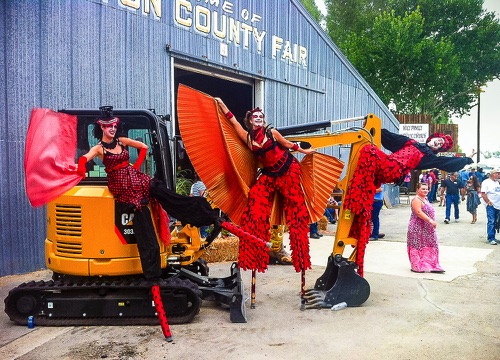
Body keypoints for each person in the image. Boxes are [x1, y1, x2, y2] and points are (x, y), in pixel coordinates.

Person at [77, 110, 220, 280]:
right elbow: (84, 158)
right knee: (143, 221)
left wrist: (136, 166)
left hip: (135, 177)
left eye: (114, 126)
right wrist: (81, 171)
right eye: (108, 126)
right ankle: (152, 274)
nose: (112, 129)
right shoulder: (99, 148)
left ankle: (203, 212)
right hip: (122, 186)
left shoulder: (121, 141)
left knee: (164, 193)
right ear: (101, 127)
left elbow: (143, 148)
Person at [214, 98, 315, 271]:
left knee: (297, 212)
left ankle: (302, 258)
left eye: (261, 116)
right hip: (270, 175)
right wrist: (222, 105)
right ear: (251, 120)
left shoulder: (271, 133)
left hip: (288, 171)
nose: (259, 118)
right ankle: (255, 256)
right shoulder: (247, 137)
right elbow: (233, 121)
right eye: (256, 116)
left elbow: (288, 145)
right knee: (254, 200)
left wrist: (305, 151)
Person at [406, 182, 444, 273]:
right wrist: (430, 220)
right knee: (417, 245)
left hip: (427, 228)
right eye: (423, 189)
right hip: (417, 227)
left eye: (426, 189)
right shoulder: (416, 199)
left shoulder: (425, 199)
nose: (425, 190)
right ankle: (416, 266)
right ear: (417, 190)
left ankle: (432, 264)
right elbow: (418, 212)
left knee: (431, 243)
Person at [480, 169, 500, 245]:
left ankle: (494, 237)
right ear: (493, 174)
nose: (499, 175)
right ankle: (491, 237)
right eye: (497, 174)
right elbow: (483, 193)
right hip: (491, 205)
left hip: (498, 205)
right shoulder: (486, 182)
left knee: (496, 222)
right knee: (491, 221)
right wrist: (488, 202)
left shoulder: (497, 182)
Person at [190, 172, 209, 238]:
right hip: (202, 208)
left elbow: (191, 195)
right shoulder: (201, 185)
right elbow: (203, 196)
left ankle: (198, 237)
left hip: (195, 207)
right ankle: (203, 237)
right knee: (205, 224)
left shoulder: (194, 185)